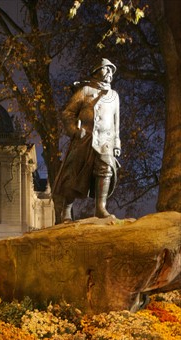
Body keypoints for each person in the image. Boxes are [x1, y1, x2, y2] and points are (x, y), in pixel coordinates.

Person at [52, 58, 121, 223]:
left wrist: (117, 143)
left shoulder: (114, 96)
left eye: (111, 70)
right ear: (97, 71)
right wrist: (74, 132)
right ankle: (66, 212)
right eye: (106, 69)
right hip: (85, 139)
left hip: (106, 141)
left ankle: (100, 207)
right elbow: (67, 113)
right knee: (73, 175)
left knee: (105, 170)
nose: (110, 73)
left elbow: (116, 121)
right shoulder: (84, 91)